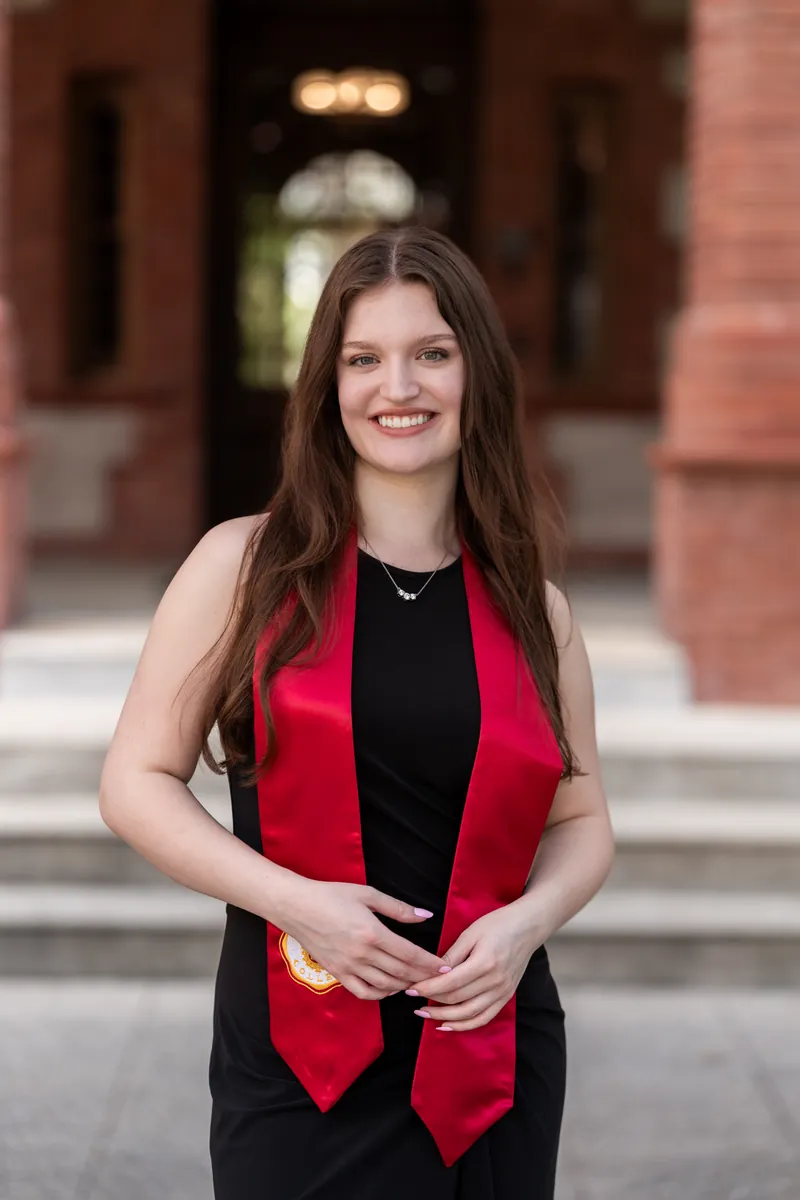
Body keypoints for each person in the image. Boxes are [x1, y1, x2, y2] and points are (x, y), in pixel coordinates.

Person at [99, 226, 615, 1199]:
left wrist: (523, 928)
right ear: (327, 388)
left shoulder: (533, 611)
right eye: (363, 360)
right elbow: (134, 783)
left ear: (477, 375)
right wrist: (296, 904)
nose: (398, 388)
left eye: (431, 354)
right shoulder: (243, 567)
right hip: (302, 1047)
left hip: (487, 1051)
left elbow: (582, 823)